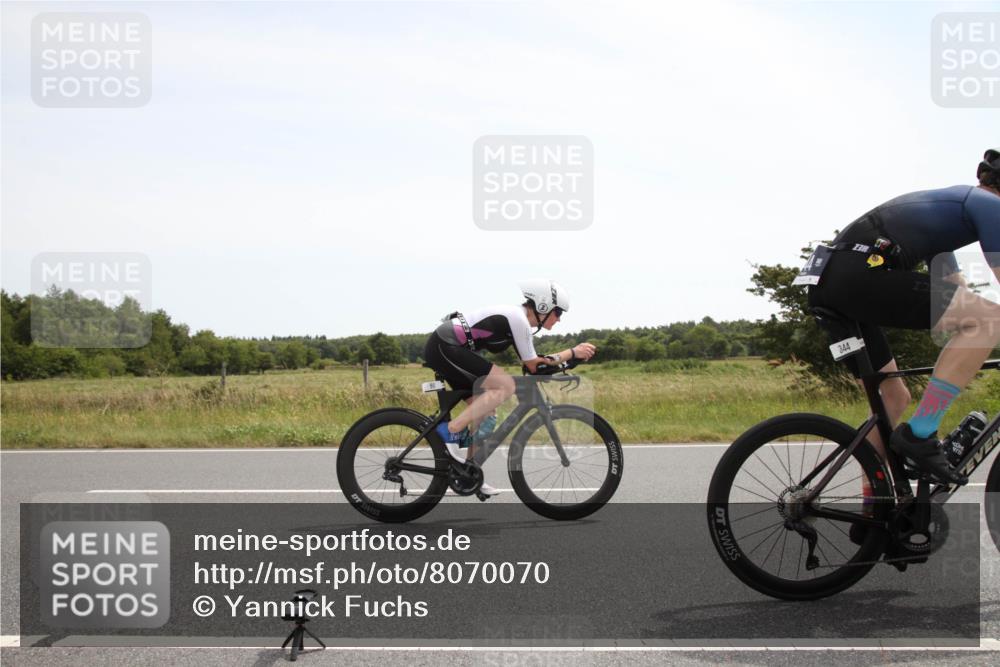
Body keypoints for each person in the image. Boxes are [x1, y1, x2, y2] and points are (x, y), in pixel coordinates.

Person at [806, 148, 1000, 485]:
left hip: (831, 282)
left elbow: (956, 291)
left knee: (894, 398)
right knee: (990, 320)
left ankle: (874, 516)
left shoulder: (947, 217)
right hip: (858, 273)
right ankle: (921, 434)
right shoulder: (990, 206)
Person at [423, 279, 597, 496]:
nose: (559, 319)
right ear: (543, 306)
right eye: (558, 313)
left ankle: (467, 472)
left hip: (451, 348)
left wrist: (571, 360)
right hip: (445, 346)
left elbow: (536, 365)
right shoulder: (518, 319)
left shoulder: (518, 322)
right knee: (506, 385)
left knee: (487, 415)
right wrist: (572, 352)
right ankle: (449, 431)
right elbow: (535, 365)